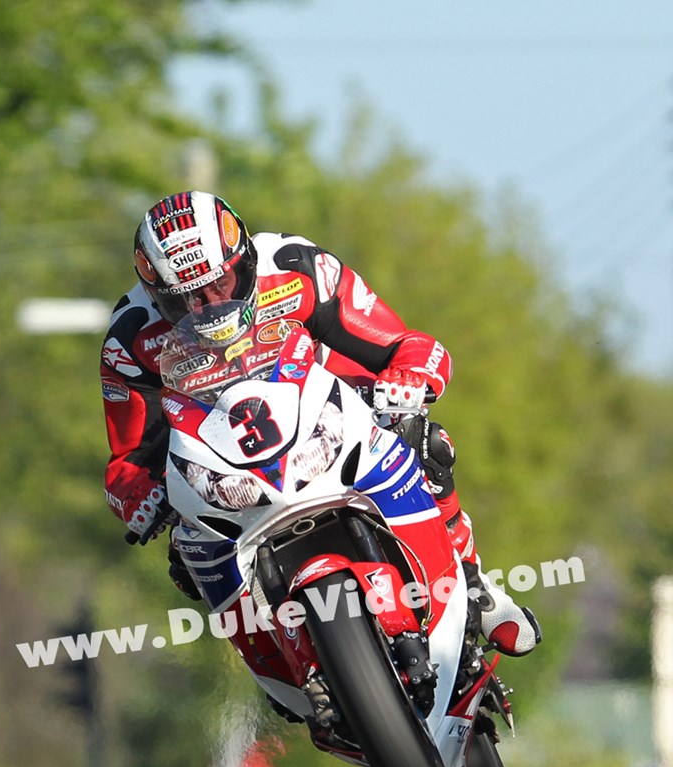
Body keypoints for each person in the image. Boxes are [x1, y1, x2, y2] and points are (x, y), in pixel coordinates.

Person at [101, 190, 540, 657]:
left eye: (223, 284)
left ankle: (472, 583)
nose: (212, 307)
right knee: (187, 552)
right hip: (227, 469)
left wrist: (409, 381)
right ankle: (278, 664)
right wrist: (139, 499)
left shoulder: (297, 267)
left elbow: (405, 343)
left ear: (244, 259)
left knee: (428, 443)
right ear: (155, 295)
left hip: (331, 414)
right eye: (186, 299)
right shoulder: (129, 338)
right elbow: (128, 459)